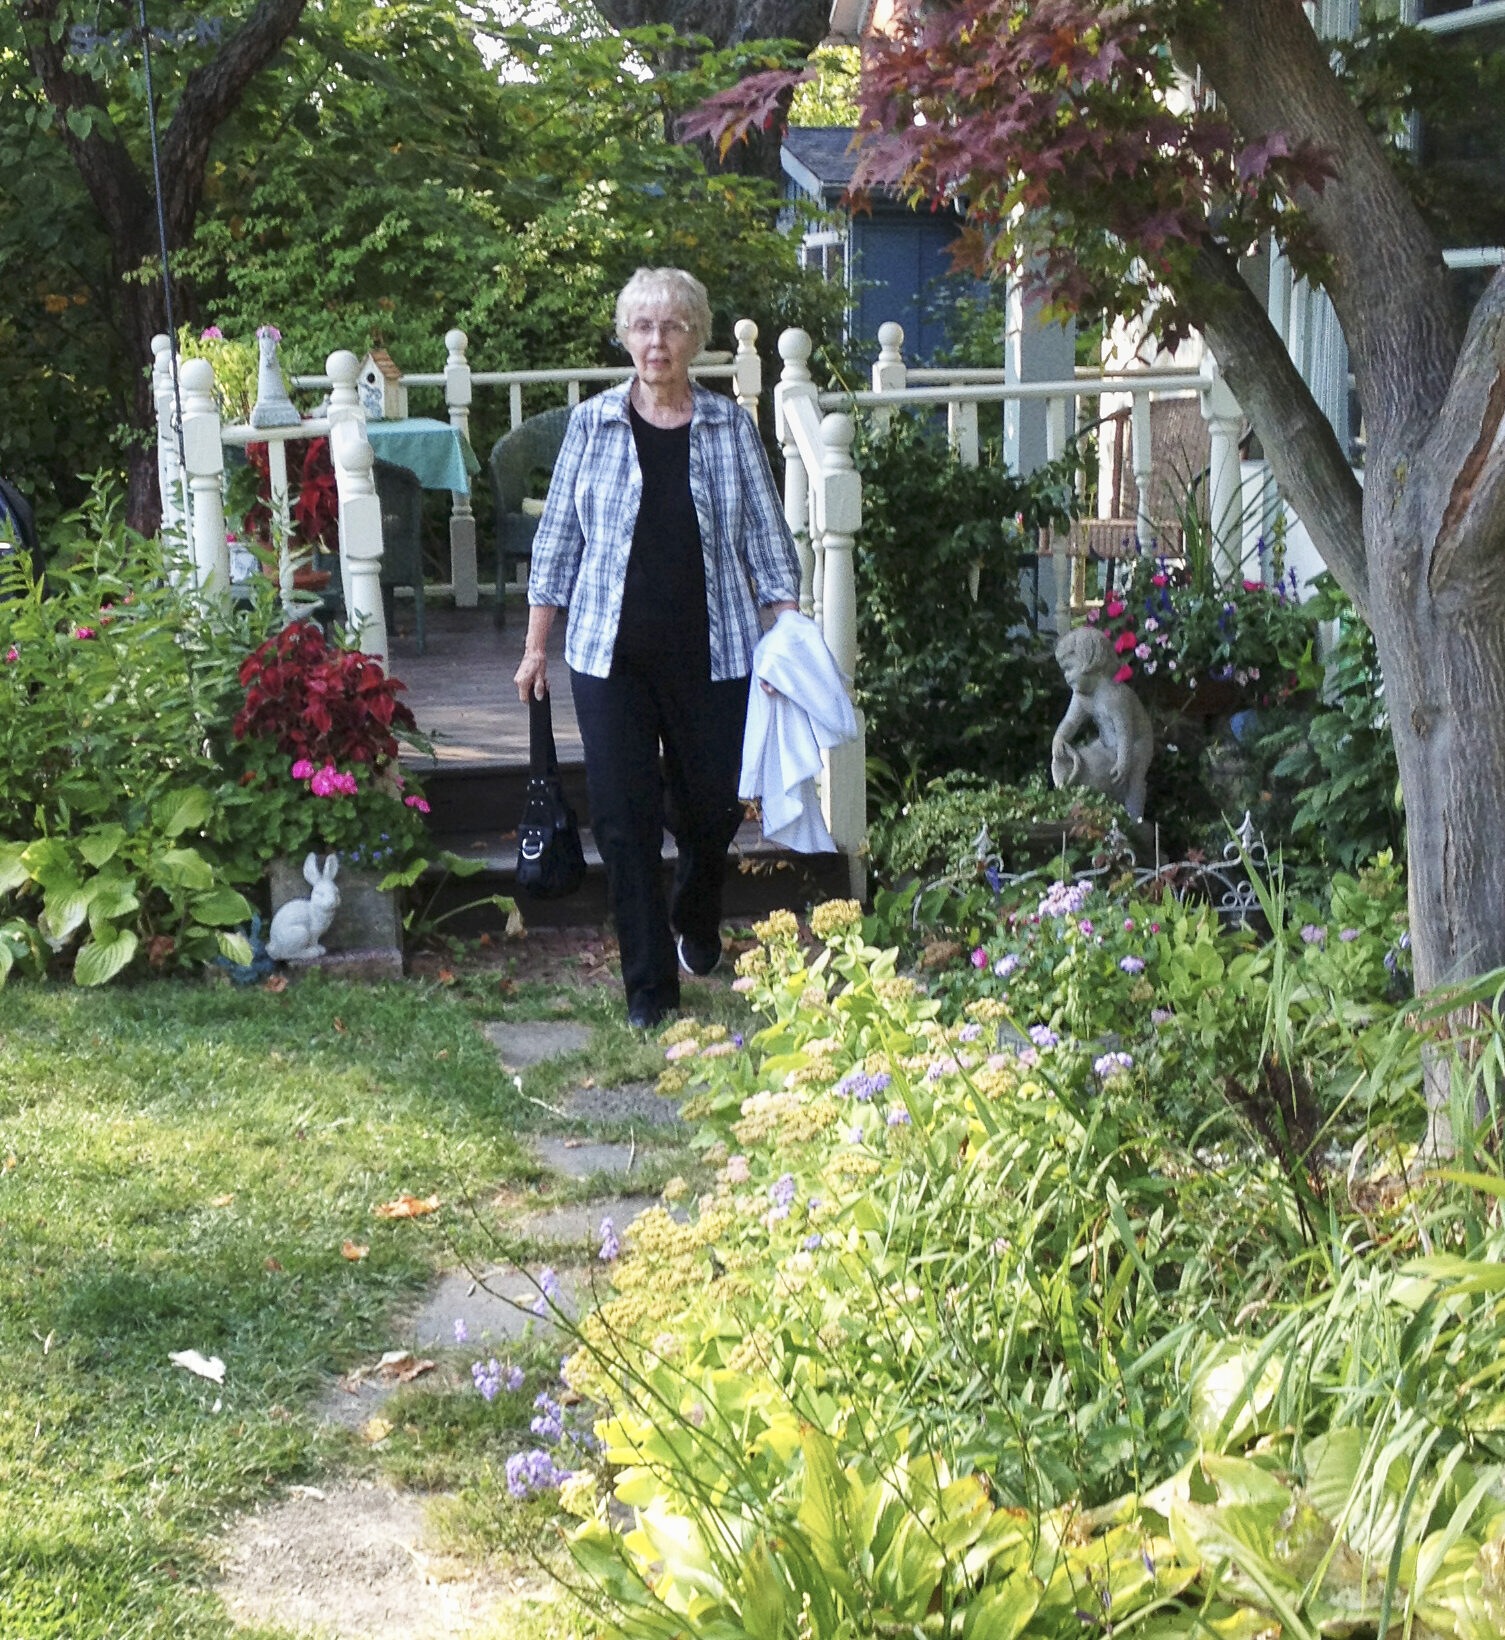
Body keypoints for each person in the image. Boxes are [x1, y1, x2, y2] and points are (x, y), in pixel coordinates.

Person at [515, 268, 801, 1029]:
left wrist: (788, 633)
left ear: (695, 338)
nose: (656, 342)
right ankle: (649, 991)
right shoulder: (592, 425)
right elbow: (558, 540)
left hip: (717, 651)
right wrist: (536, 646)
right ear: (625, 337)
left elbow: (767, 538)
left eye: (672, 326)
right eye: (642, 326)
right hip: (609, 655)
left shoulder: (729, 426)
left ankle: (695, 911)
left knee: (711, 809)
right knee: (622, 818)